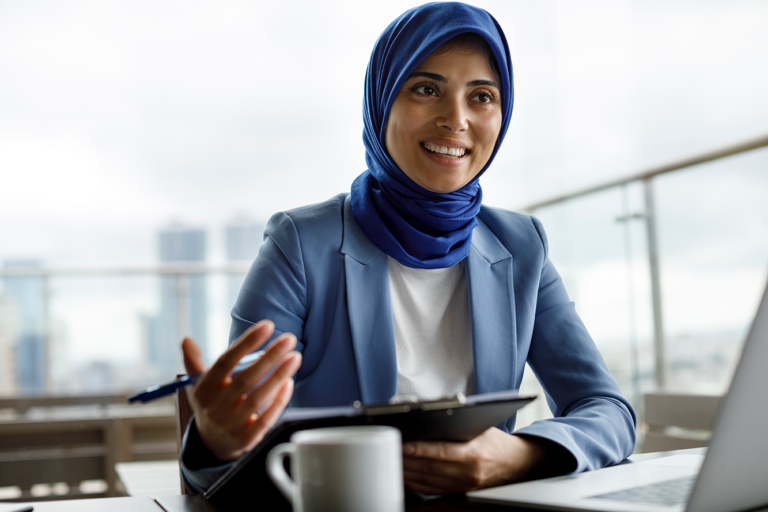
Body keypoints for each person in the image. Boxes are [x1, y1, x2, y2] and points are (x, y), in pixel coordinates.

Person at [179, 1, 636, 497]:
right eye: (425, 89)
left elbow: (607, 410)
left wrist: (519, 455)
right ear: (381, 102)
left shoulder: (522, 246)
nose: (456, 119)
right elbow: (232, 452)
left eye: (481, 96)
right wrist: (216, 442)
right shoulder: (299, 244)